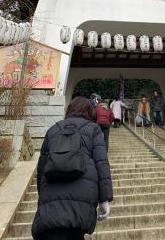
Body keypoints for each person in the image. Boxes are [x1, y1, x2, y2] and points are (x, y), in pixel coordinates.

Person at [32, 96, 113, 240]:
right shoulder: (93, 129)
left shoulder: (53, 129)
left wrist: (42, 194)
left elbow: (42, 167)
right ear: (90, 112)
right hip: (83, 195)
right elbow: (101, 163)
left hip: (51, 193)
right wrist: (105, 199)